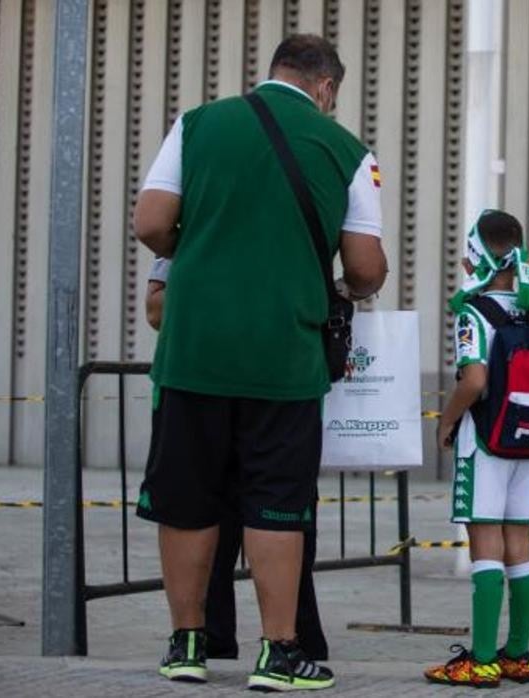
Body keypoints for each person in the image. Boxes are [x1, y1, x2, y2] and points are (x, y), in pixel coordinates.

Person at [133, 34, 387, 690]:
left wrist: (202, 246)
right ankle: (279, 654)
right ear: (326, 87)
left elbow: (152, 222)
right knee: (276, 502)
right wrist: (345, 283)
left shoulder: (197, 125)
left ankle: (186, 644)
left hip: (193, 350)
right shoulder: (350, 153)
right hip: (285, 358)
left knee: (186, 497)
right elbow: (364, 268)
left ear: (273, 73)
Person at [145, 258, 329, 662]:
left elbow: (365, 273)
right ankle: (205, 641)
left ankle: (288, 642)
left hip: (274, 389)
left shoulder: (290, 230)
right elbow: (155, 308)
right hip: (206, 387)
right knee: (205, 517)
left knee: (284, 519)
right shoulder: (192, 228)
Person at [427, 210, 529, 687]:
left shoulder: (473, 311)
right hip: (525, 437)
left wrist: (448, 418)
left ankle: (480, 660)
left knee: (485, 544)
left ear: (473, 255)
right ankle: (518, 653)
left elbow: (474, 379)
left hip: (484, 437)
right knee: (519, 541)